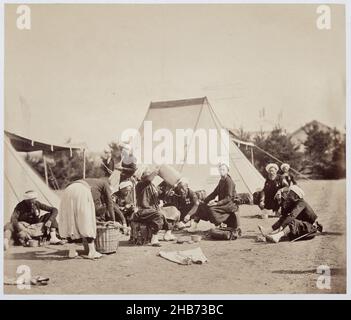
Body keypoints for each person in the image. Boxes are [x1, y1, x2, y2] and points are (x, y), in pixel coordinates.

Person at [59, 178, 115, 259]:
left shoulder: (92, 182)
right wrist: (112, 220)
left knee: (71, 220)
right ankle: (92, 252)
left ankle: (72, 251)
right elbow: (110, 203)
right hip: (82, 190)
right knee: (87, 220)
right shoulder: (104, 183)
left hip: (68, 190)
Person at [187, 163, 241, 235]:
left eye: (223, 169)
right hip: (223, 203)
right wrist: (204, 201)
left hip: (229, 205)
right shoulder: (221, 181)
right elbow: (214, 193)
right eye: (220, 170)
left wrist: (217, 203)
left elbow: (229, 197)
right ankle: (194, 226)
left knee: (211, 209)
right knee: (202, 206)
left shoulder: (229, 181)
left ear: (227, 171)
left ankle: (219, 224)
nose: (221, 171)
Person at [258, 185, 323, 243]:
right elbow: (284, 214)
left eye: (290, 193)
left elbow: (293, 215)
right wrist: (280, 201)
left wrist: (282, 226)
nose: (288, 194)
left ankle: (278, 236)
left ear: (296, 196)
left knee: (293, 220)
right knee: (285, 218)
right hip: (301, 225)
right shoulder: (293, 202)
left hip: (309, 228)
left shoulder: (301, 203)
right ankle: (268, 231)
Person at [132, 167, 179, 246]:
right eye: (147, 173)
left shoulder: (152, 186)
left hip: (154, 209)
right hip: (143, 210)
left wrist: (167, 193)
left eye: (149, 173)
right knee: (158, 215)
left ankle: (168, 233)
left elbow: (160, 196)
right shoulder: (140, 184)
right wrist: (157, 170)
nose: (149, 174)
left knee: (174, 210)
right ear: (142, 176)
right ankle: (154, 238)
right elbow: (148, 179)